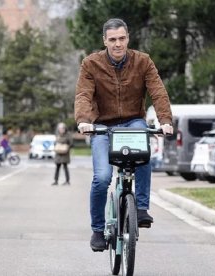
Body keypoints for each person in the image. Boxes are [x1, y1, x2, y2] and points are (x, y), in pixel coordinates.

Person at [74, 18, 174, 252]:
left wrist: (165, 121)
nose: (118, 44)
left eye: (121, 38)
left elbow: (158, 92)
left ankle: (140, 209)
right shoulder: (91, 64)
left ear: (128, 38)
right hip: (102, 126)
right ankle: (98, 230)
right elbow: (83, 95)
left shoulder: (143, 61)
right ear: (104, 41)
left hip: (132, 121)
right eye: (112, 40)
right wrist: (84, 121)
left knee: (143, 155)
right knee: (101, 177)